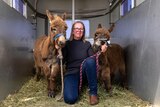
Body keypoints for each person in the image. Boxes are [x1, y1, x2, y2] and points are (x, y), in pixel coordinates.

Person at [62, 21, 107, 105]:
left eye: (81, 29)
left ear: (83, 31)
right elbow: (62, 60)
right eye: (77, 28)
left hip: (84, 72)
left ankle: (93, 93)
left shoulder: (87, 44)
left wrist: (101, 50)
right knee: (70, 99)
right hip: (71, 73)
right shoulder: (66, 44)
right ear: (72, 31)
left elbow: (92, 58)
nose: (79, 30)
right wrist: (58, 49)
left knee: (90, 61)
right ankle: (75, 87)